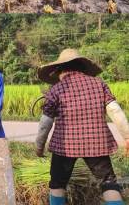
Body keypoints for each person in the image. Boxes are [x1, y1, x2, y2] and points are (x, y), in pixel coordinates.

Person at [35, 49, 129, 205]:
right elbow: (115, 111)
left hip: (65, 146)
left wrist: (39, 147)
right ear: (83, 68)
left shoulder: (56, 90)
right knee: (108, 182)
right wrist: (127, 137)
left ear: (60, 70)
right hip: (97, 143)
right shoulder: (99, 84)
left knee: (57, 184)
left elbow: (45, 123)